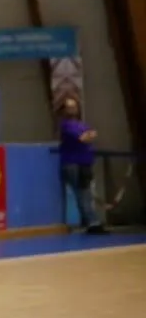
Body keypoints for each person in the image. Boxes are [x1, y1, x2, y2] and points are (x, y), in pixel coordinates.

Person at [58, 97, 105, 233]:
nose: (72, 109)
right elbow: (84, 138)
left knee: (86, 193)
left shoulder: (82, 124)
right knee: (81, 193)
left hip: (85, 163)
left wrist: (88, 135)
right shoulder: (66, 125)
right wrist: (87, 136)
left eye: (74, 106)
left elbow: (92, 134)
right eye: (69, 107)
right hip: (72, 163)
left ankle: (91, 221)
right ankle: (92, 222)